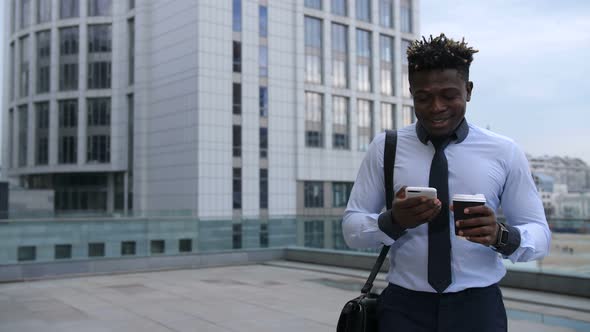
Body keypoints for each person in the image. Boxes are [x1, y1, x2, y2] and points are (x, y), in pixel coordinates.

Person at [342, 34, 551, 332]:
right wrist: (393, 221)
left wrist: (500, 235)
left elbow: (540, 234)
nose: (436, 107)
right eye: (423, 97)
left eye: (449, 95)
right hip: (403, 308)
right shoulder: (385, 147)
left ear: (468, 90)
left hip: (478, 309)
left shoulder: (504, 151)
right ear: (411, 92)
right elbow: (351, 229)